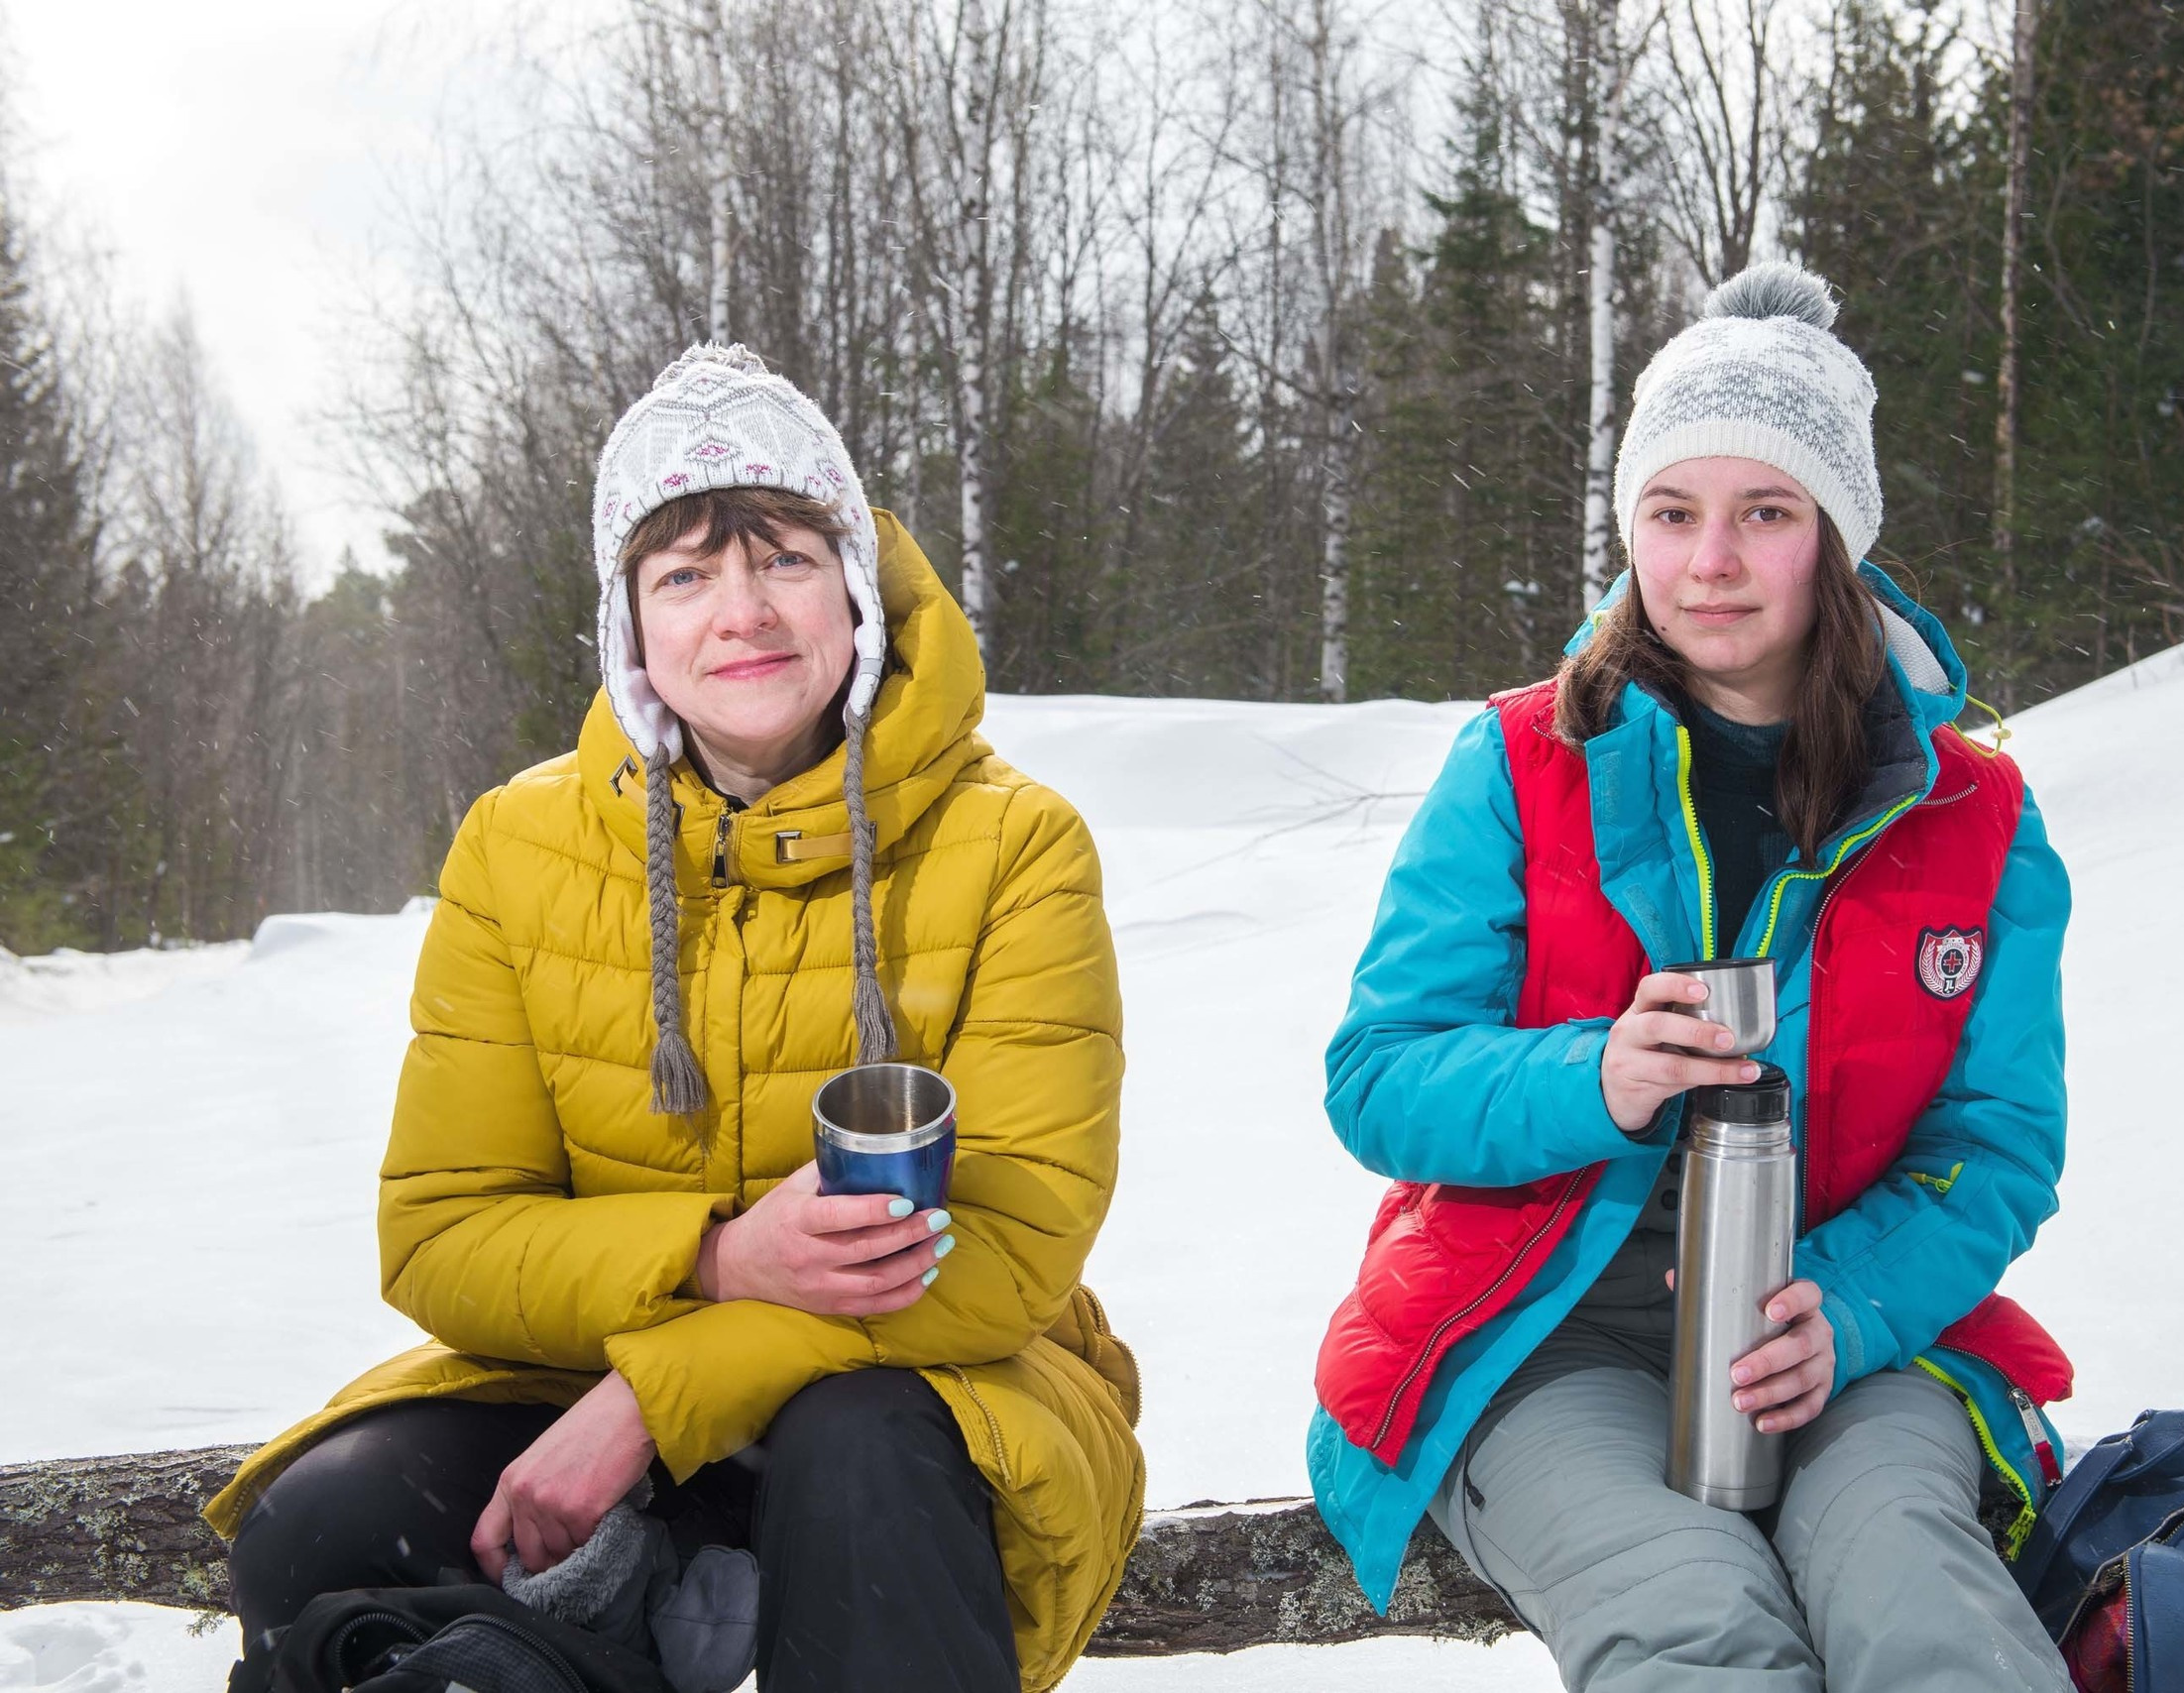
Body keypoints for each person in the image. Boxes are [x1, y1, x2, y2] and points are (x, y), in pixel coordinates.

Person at [206, 344, 1143, 1693]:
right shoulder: (519, 844)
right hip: (565, 1379)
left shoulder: (1017, 846)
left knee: (858, 1459)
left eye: (787, 561)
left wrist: (653, 1398)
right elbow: (443, 1235)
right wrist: (716, 1260)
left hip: (932, 1389)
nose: (742, 613)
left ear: (858, 593)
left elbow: (1009, 1245)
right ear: (629, 624)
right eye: (686, 574)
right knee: (330, 1523)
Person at [1307, 264, 2076, 1690]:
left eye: (1764, 513)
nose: (1709, 560)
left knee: (1920, 1598)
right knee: (1693, 1622)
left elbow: (1999, 1146)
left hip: (1847, 1323)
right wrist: (1588, 1074)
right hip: (1544, 1327)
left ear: (1834, 539)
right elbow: (1379, 1078)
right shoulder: (1522, 763)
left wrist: (1849, 1311)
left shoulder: (1977, 818)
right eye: (1673, 513)